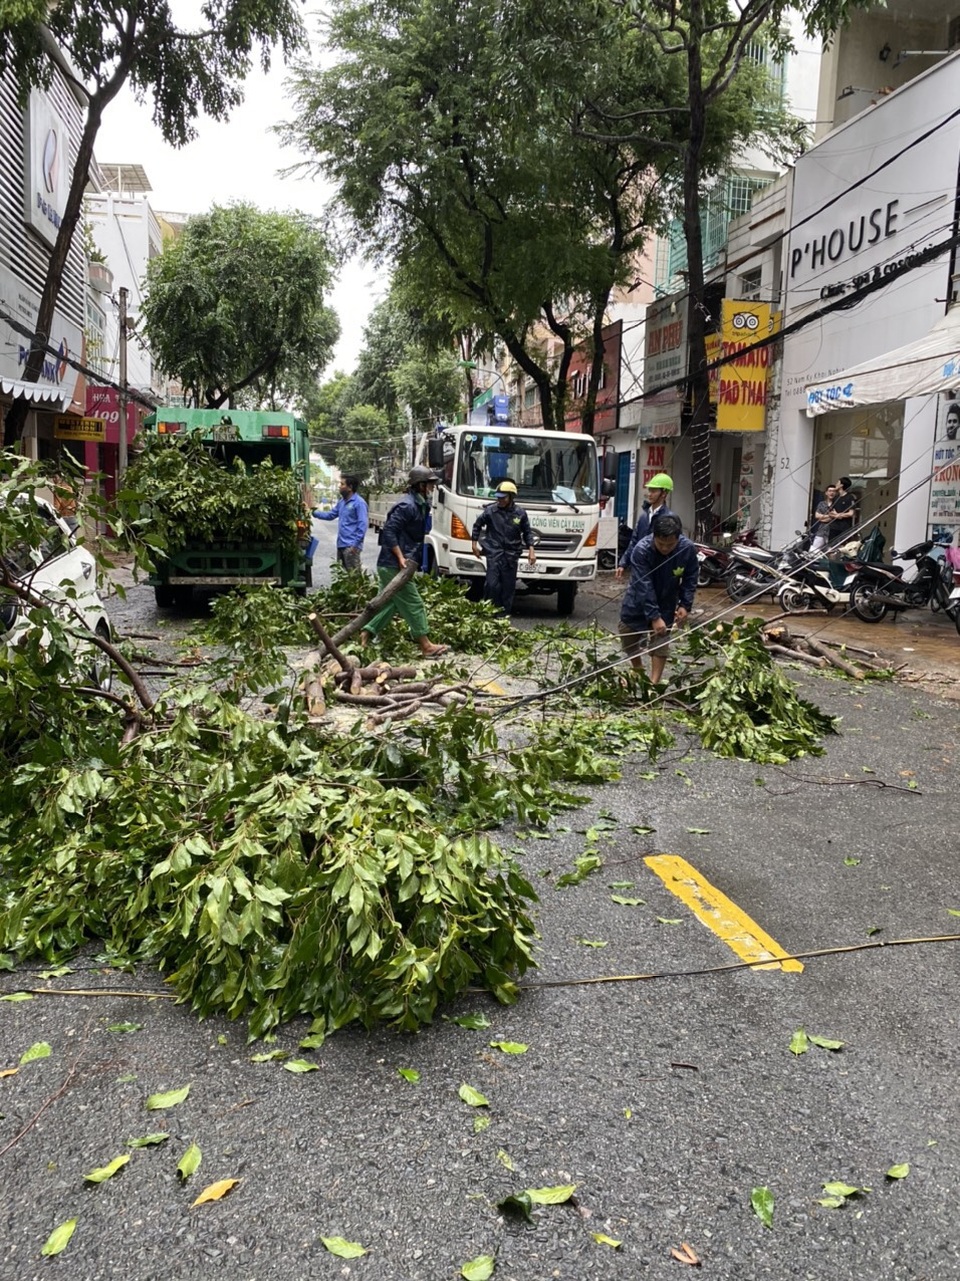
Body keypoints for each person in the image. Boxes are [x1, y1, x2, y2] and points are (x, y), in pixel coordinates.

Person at [359, 466, 449, 658]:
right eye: (430, 486)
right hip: (393, 564)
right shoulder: (407, 506)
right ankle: (426, 645)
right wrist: (400, 558)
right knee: (414, 603)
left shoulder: (419, 505)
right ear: (420, 485)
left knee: (390, 604)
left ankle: (366, 633)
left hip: (396, 563)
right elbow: (389, 532)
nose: (432, 490)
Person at [619, 513, 699, 684]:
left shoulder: (687, 549)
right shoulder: (641, 550)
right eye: (661, 544)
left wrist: (685, 604)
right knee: (627, 633)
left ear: (678, 538)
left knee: (661, 640)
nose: (665, 548)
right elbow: (644, 585)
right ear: (653, 536)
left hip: (667, 599)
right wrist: (654, 616)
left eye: (670, 545)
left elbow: (691, 577)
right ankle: (638, 667)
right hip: (638, 598)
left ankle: (653, 684)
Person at [470, 480, 536, 614]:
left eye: (503, 497)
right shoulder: (490, 511)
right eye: (498, 497)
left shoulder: (520, 514)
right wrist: (474, 544)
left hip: (511, 556)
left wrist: (531, 550)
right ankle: (489, 612)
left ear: (511, 497)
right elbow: (477, 525)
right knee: (492, 585)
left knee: (508, 588)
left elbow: (527, 532)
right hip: (494, 553)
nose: (500, 500)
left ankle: (503, 617)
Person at [615, 473, 675, 580]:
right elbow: (634, 541)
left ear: (664, 494)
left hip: (657, 572)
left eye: (654, 491)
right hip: (639, 569)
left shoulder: (668, 519)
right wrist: (623, 563)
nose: (649, 494)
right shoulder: (644, 517)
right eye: (649, 490)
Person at [313, 474, 368, 570]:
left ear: (350, 487)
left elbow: (362, 525)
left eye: (342, 484)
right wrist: (313, 512)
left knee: (353, 578)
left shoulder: (359, 503)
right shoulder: (342, 502)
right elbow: (330, 515)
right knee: (342, 576)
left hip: (351, 547)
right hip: (341, 545)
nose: (339, 486)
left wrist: (355, 546)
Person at [810, 484, 837, 553]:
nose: (831, 493)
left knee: (831, 552)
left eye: (834, 491)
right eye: (830, 491)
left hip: (833, 531)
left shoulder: (837, 504)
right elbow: (817, 516)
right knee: (814, 550)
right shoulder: (822, 504)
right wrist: (830, 515)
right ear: (826, 493)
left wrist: (825, 517)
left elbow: (834, 518)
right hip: (822, 530)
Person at [829, 476, 857, 545]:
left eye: (838, 482)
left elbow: (851, 513)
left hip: (844, 528)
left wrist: (839, 515)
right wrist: (835, 515)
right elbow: (830, 512)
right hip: (833, 527)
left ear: (841, 485)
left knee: (843, 547)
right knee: (831, 547)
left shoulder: (850, 497)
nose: (836, 484)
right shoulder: (835, 498)